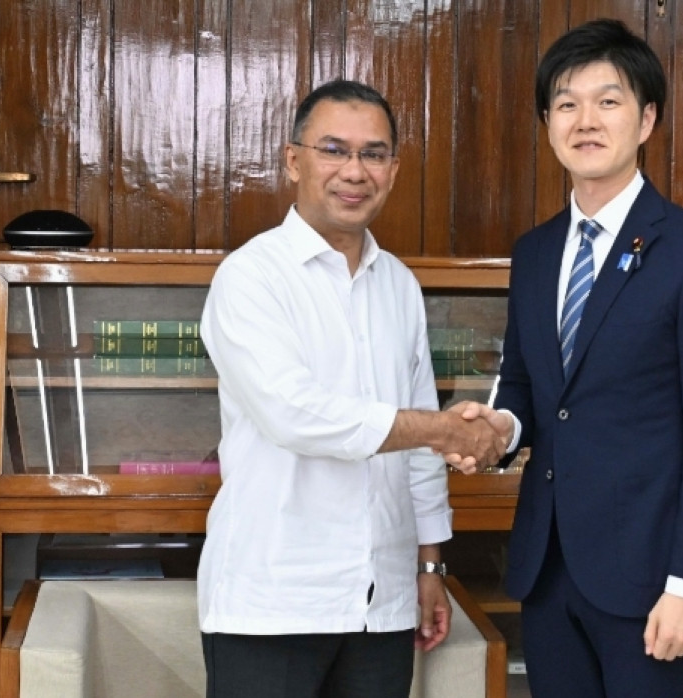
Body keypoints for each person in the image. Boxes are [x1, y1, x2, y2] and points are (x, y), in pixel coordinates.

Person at [458, 18, 683, 697]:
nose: (585, 120)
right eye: (566, 103)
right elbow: (528, 386)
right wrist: (499, 428)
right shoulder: (534, 253)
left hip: (651, 581)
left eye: (608, 101)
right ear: (548, 122)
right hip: (548, 570)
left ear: (646, 120)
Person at [197, 79, 507, 698]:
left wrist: (429, 565)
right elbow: (299, 418)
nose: (353, 171)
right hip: (274, 600)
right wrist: (446, 428)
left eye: (373, 154)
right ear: (294, 160)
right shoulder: (250, 277)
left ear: (393, 169)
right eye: (333, 149)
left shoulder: (398, 284)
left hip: (382, 602)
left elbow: (421, 452)